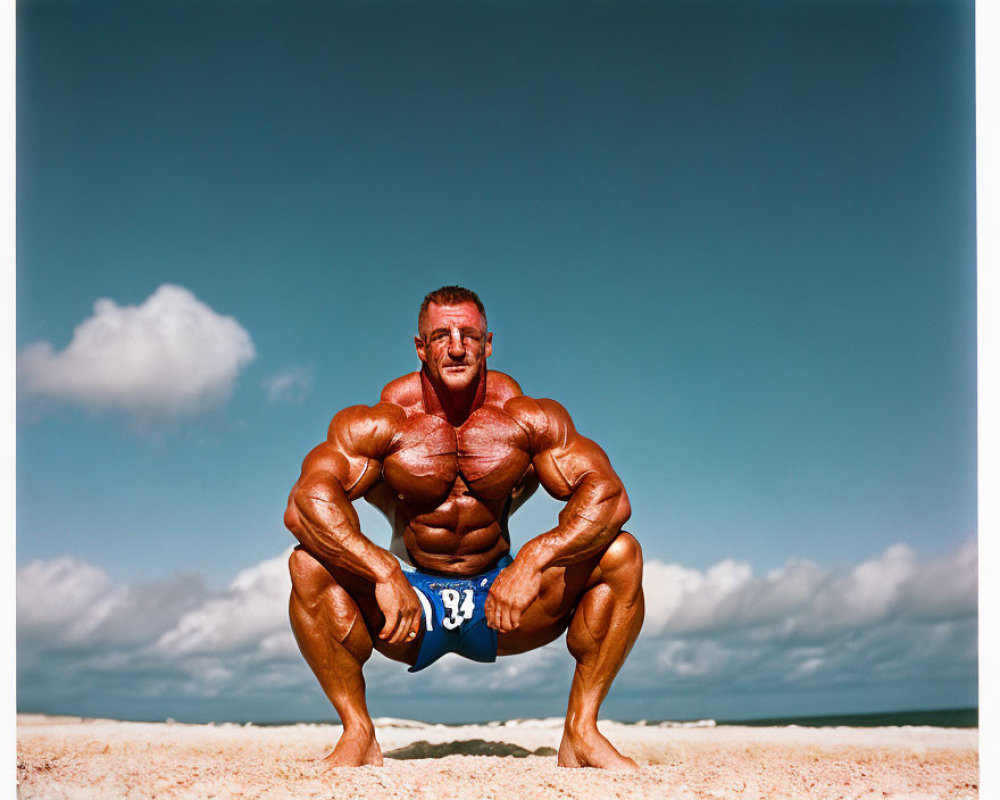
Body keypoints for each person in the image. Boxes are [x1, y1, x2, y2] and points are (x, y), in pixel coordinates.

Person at [284, 286, 644, 770]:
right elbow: (306, 503)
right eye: (441, 336)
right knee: (307, 564)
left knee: (621, 554)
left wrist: (536, 558)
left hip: (504, 603)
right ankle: (358, 732)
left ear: (488, 343)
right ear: (420, 347)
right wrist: (384, 572)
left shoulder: (526, 418)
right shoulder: (384, 423)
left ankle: (581, 731)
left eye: (469, 335)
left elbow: (609, 495)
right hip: (409, 604)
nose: (456, 347)